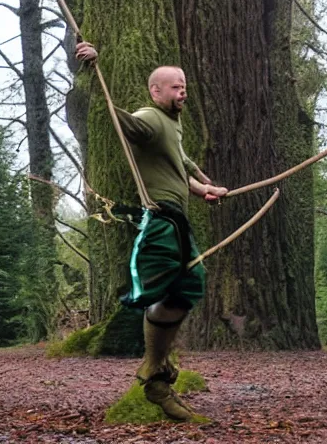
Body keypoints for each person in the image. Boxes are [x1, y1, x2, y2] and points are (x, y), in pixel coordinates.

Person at [76, 41, 228, 421]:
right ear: (155, 91)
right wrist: (93, 77)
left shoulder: (172, 126)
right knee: (153, 291)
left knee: (188, 288)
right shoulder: (149, 116)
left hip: (178, 219)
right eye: (175, 87)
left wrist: (202, 186)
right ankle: (155, 376)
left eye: (184, 87)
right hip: (160, 219)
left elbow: (178, 162)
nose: (182, 92)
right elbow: (120, 121)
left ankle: (155, 370)